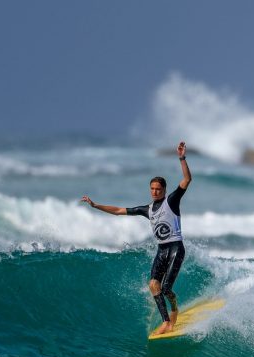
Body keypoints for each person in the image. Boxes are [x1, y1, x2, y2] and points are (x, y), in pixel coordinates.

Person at [82, 141, 192, 335]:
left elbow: (187, 179)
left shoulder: (172, 200)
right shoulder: (147, 209)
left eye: (158, 189)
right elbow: (118, 211)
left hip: (175, 247)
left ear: (164, 190)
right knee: (153, 285)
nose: (155, 191)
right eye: (152, 188)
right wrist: (95, 205)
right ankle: (166, 322)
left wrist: (182, 158)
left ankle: (174, 309)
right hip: (162, 250)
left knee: (166, 289)